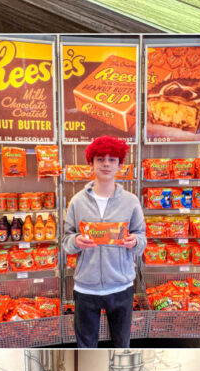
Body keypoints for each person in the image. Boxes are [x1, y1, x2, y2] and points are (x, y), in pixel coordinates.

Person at [62, 136, 145, 347]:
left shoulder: (131, 201)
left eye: (112, 159)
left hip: (121, 286)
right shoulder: (78, 201)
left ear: (119, 165)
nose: (106, 164)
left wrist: (134, 241)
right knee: (86, 346)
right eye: (100, 159)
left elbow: (142, 238)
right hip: (86, 288)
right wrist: (76, 242)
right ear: (91, 163)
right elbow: (65, 240)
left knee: (122, 345)